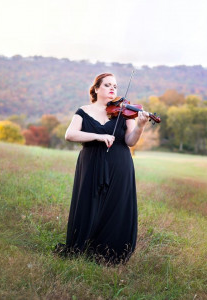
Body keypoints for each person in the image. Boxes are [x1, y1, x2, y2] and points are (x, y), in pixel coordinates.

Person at [54, 73, 149, 266]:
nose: (113, 88)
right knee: (88, 203)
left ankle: (109, 253)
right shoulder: (83, 111)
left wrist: (140, 126)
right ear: (96, 88)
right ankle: (85, 246)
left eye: (115, 85)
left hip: (119, 164)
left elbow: (130, 141)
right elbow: (70, 134)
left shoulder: (125, 111)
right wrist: (98, 137)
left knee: (115, 206)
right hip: (91, 164)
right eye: (107, 85)